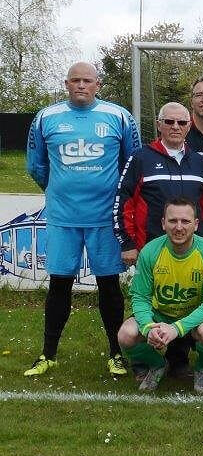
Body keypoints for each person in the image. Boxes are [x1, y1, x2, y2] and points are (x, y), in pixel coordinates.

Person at [24, 62, 142, 377]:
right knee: (59, 283)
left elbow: (132, 163)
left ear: (97, 84)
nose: (81, 85)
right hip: (63, 218)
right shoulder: (46, 117)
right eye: (75, 80)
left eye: (87, 80)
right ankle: (47, 354)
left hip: (105, 218)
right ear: (66, 84)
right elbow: (36, 166)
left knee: (109, 285)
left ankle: (116, 353)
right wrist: (60, 190)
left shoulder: (119, 116)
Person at [114, 100, 203, 378]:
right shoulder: (141, 157)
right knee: (149, 303)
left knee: (184, 302)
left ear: (189, 126)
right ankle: (143, 361)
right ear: (159, 124)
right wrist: (127, 242)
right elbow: (123, 199)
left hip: (192, 249)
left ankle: (178, 360)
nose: (175, 127)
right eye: (169, 121)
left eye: (182, 122)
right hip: (152, 248)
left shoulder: (199, 161)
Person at [116, 197, 203, 393]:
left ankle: (202, 369)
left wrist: (177, 328)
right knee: (126, 335)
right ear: (163, 223)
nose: (179, 227)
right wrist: (148, 326)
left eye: (185, 221)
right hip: (160, 315)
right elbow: (140, 297)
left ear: (196, 224)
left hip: (196, 318)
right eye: (173, 221)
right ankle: (158, 365)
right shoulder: (150, 251)